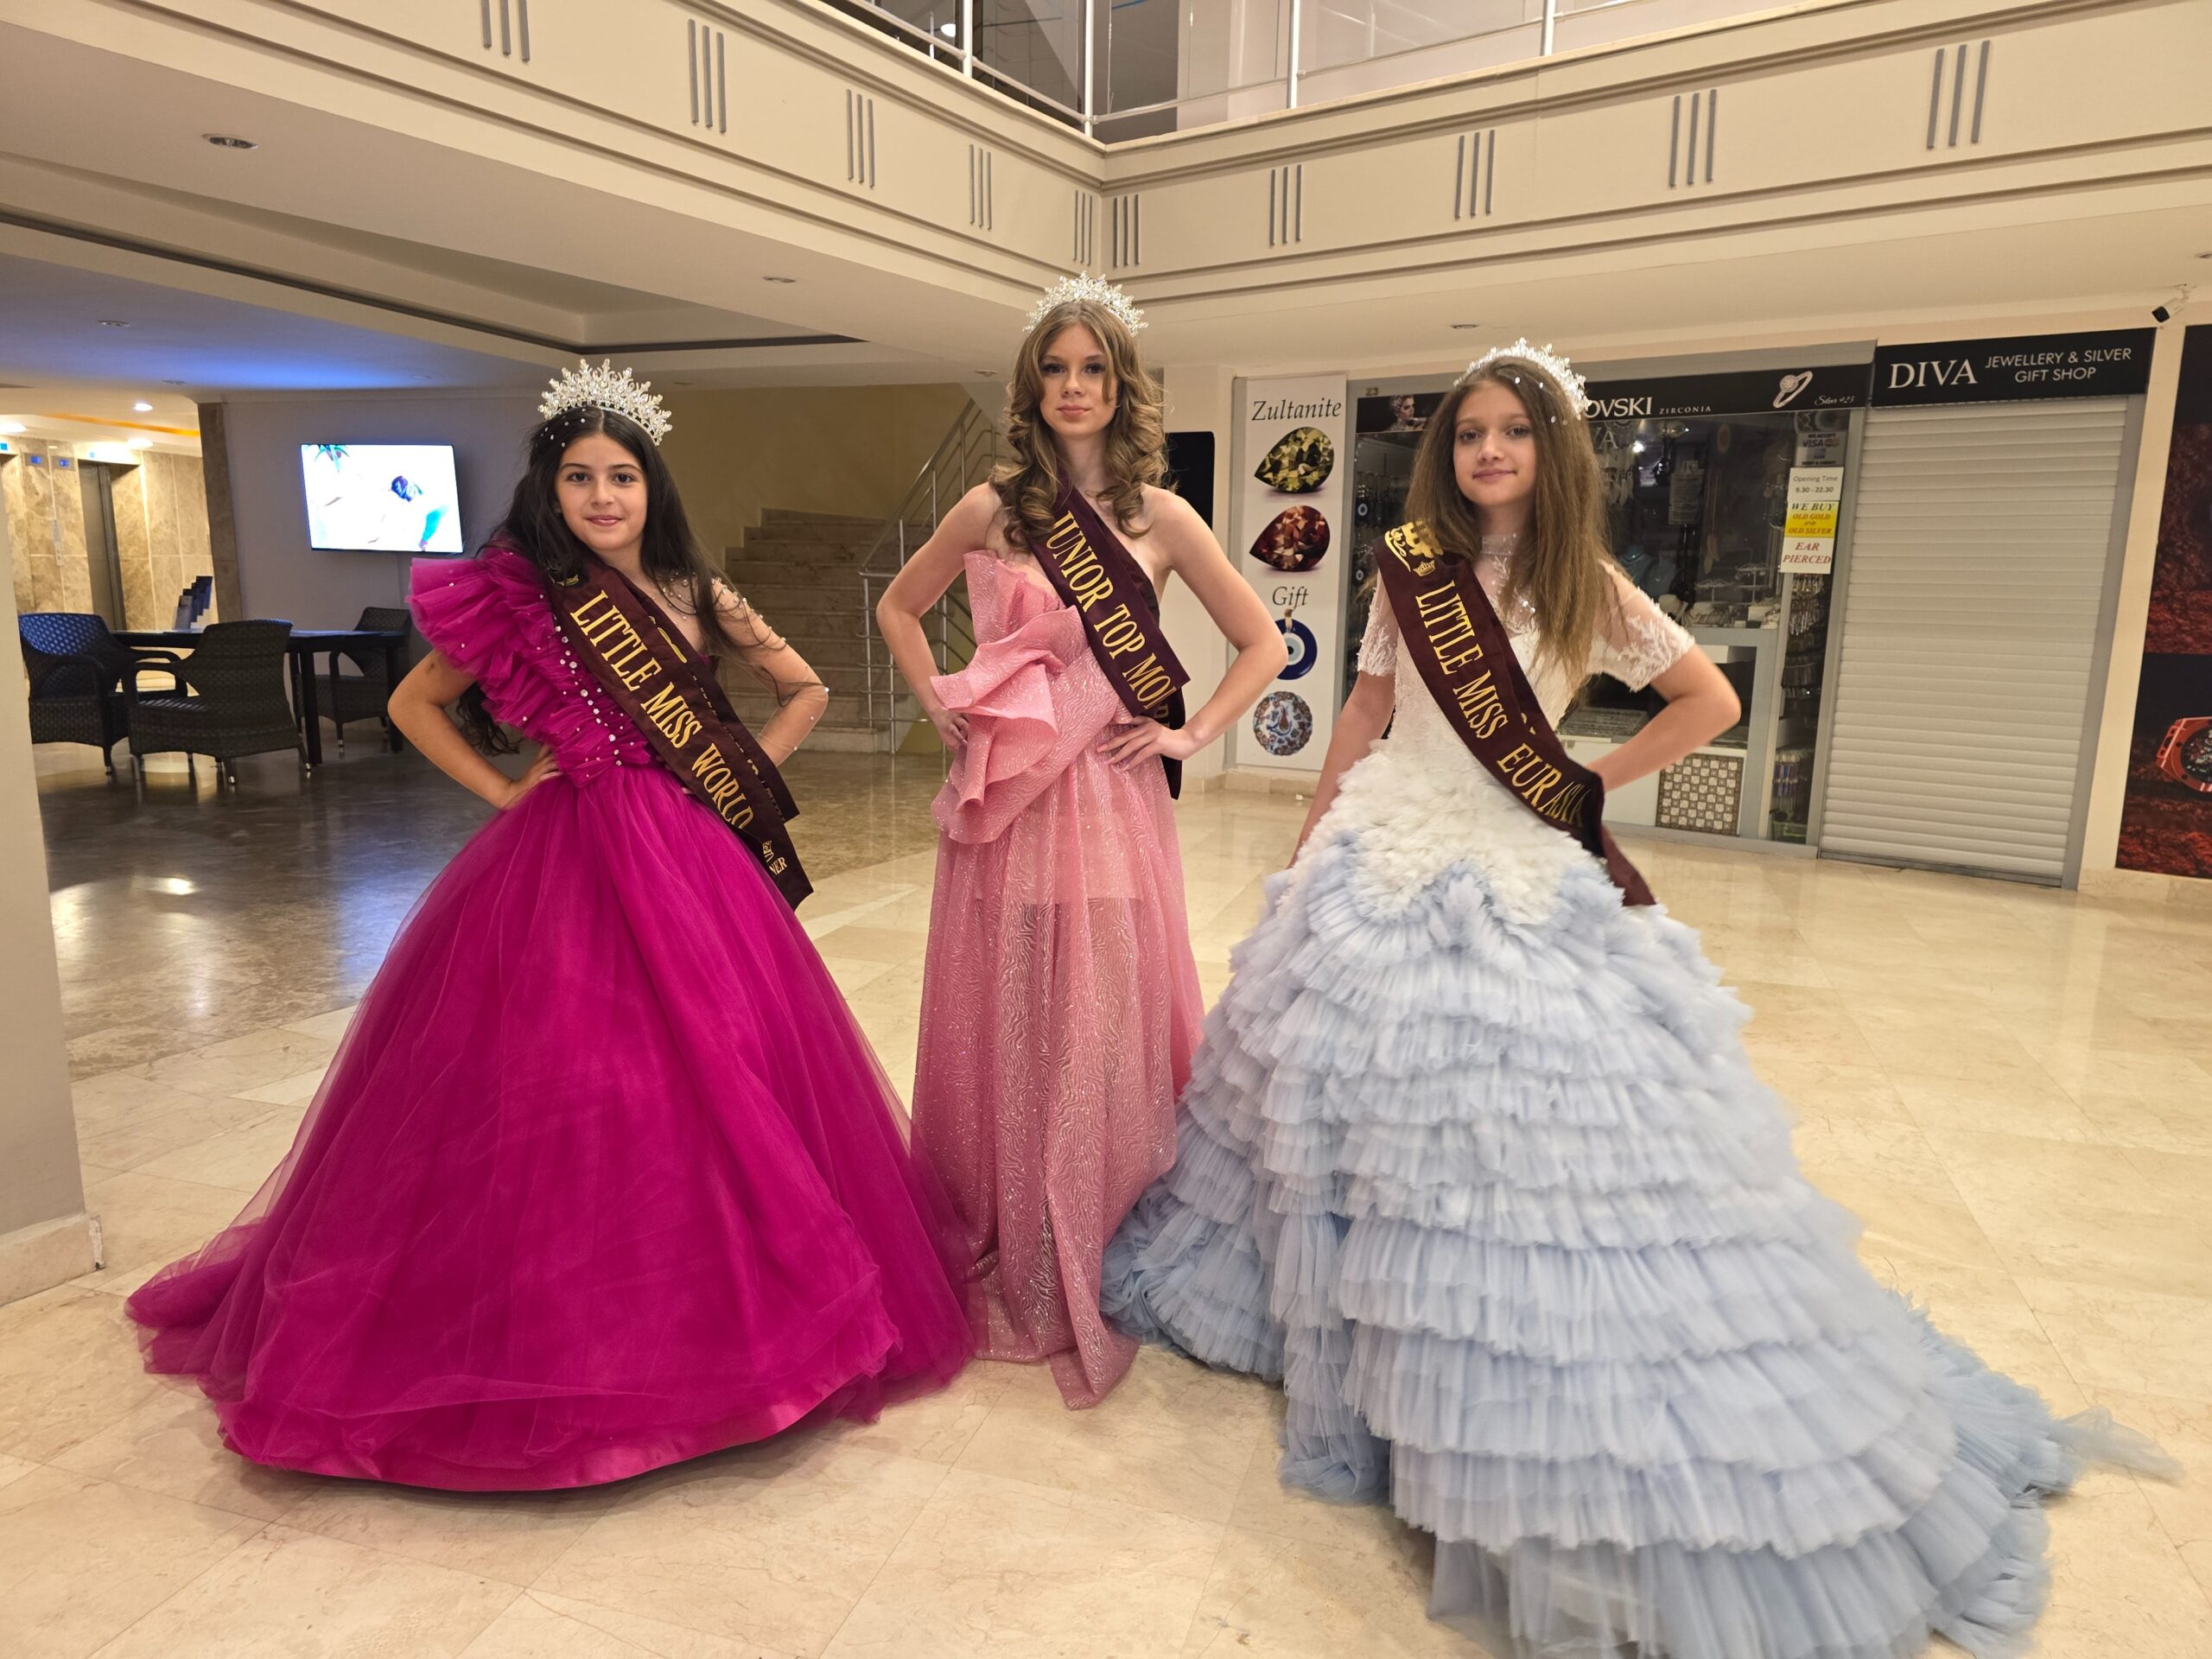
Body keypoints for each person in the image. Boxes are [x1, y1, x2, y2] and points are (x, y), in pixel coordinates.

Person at [1103, 343, 2172, 1656]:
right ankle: (1353, 1329)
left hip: (1508, 857)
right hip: (1381, 844)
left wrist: (1587, 779)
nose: (1489, 452)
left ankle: (1480, 1348)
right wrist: (1315, 824)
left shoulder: (1585, 581)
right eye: (1471, 433)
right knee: (1332, 1089)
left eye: (1514, 432)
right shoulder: (1411, 569)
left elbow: (1707, 697)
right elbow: (1369, 705)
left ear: (1551, 449)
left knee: (1502, 1115)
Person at [125, 363, 973, 1490]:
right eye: (580, 477)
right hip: (557, 855)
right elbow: (413, 702)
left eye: (622, 476)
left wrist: (725, 786)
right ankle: (539, 1332)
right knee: (554, 1073)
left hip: (686, 854)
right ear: (551, 488)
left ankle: (716, 1327)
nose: (602, 496)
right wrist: (498, 789)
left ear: (651, 486)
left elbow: (806, 688)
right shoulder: (519, 595)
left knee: (714, 1067)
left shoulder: (699, 591)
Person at [876, 276, 1286, 1408]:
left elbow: (1261, 642)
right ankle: (1010, 1212)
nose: (1072, 387)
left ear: (1121, 385)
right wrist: (936, 697)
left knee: (1100, 1012)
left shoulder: (1163, 518)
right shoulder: (989, 510)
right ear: (1031, 387)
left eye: (1092, 369)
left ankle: (1097, 1215)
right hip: (1006, 799)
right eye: (1054, 370)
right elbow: (899, 608)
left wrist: (1190, 730)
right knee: (1011, 1005)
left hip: (1107, 797)